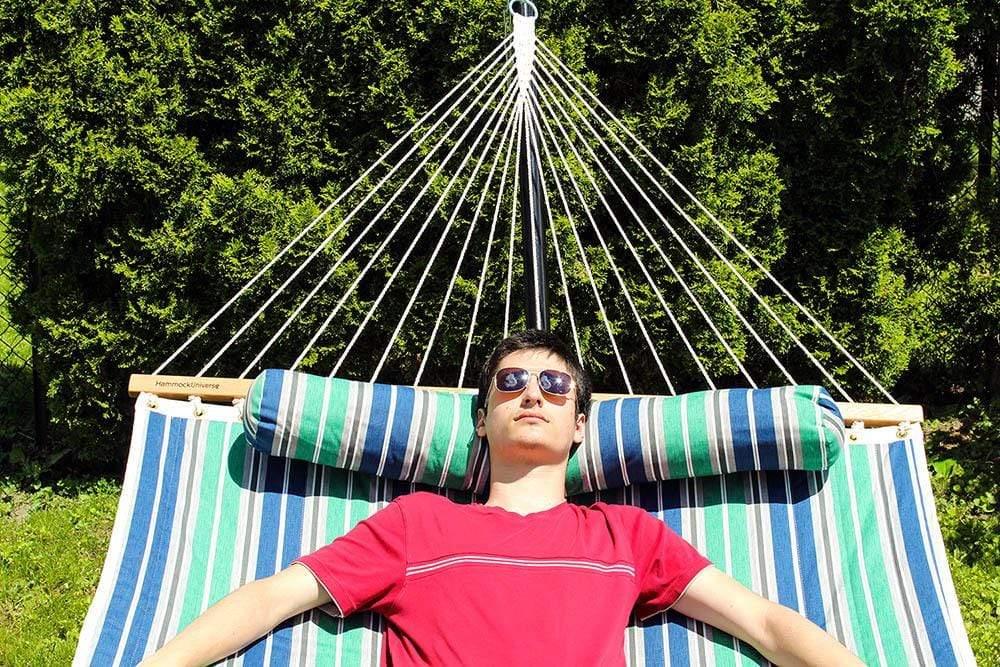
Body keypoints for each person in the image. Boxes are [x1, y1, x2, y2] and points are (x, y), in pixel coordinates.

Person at [142, 330, 863, 666]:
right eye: (510, 384)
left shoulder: (625, 537)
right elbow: (273, 597)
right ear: (481, 418)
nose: (531, 395)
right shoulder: (416, 523)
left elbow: (765, 622)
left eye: (554, 387)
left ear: (581, 425)